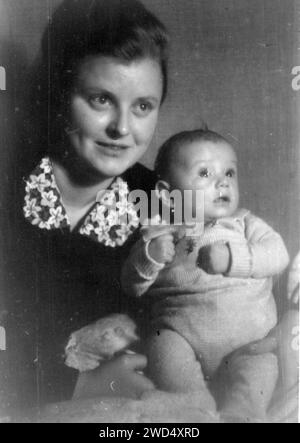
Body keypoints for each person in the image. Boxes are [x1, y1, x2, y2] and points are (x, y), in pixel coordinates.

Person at [0, 0, 168, 412]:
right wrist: (80, 382)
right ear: (58, 93)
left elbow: (187, 315)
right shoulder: (9, 179)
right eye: (100, 100)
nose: (122, 129)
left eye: (143, 106)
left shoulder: (161, 198)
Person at [121, 129, 290, 420]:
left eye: (229, 173)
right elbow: (131, 286)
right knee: (162, 344)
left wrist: (234, 259)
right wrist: (150, 257)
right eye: (204, 173)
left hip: (250, 343)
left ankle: (244, 411)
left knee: (264, 365)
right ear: (167, 194)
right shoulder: (158, 233)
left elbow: (278, 254)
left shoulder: (244, 222)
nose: (222, 181)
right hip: (182, 337)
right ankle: (190, 400)